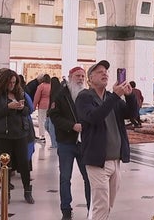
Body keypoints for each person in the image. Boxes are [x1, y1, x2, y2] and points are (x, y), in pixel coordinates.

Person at [75, 60, 138, 220]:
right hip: (97, 161)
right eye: (99, 71)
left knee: (107, 205)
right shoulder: (84, 97)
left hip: (115, 161)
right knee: (100, 206)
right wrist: (116, 96)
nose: (105, 73)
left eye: (106, 71)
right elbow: (94, 117)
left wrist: (129, 96)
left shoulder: (111, 97)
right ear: (90, 79)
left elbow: (132, 114)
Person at [0, 69, 35, 204]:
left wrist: (21, 108)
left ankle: (27, 191)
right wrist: (8, 107)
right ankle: (6, 193)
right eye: (10, 82)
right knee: (5, 164)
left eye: (14, 82)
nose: (12, 85)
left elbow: (28, 110)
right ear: (4, 82)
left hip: (20, 133)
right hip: (2, 134)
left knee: (24, 163)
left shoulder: (19, 92)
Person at [48, 66, 91, 220]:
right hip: (66, 142)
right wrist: (71, 126)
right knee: (65, 177)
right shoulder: (60, 94)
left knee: (89, 178)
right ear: (70, 76)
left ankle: (91, 209)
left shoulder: (87, 95)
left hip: (84, 143)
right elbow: (53, 116)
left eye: (82, 76)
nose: (80, 79)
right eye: (77, 76)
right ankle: (66, 209)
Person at [33, 74, 51, 142]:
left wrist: (34, 106)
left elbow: (37, 97)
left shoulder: (41, 86)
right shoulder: (51, 86)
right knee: (49, 121)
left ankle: (42, 136)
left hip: (42, 105)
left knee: (41, 121)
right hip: (49, 105)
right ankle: (51, 136)